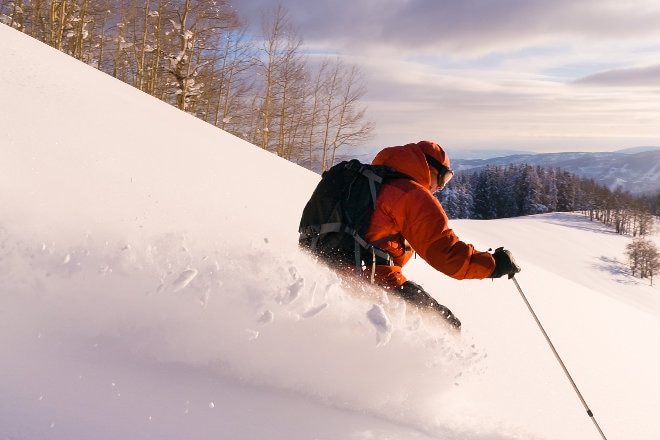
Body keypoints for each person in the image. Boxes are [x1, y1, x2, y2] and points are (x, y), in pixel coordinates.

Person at [359, 140, 520, 329]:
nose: (442, 187)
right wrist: (494, 264)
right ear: (428, 168)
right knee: (445, 325)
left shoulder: (374, 183)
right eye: (444, 177)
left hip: (347, 269)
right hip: (376, 279)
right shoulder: (411, 194)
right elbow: (446, 254)